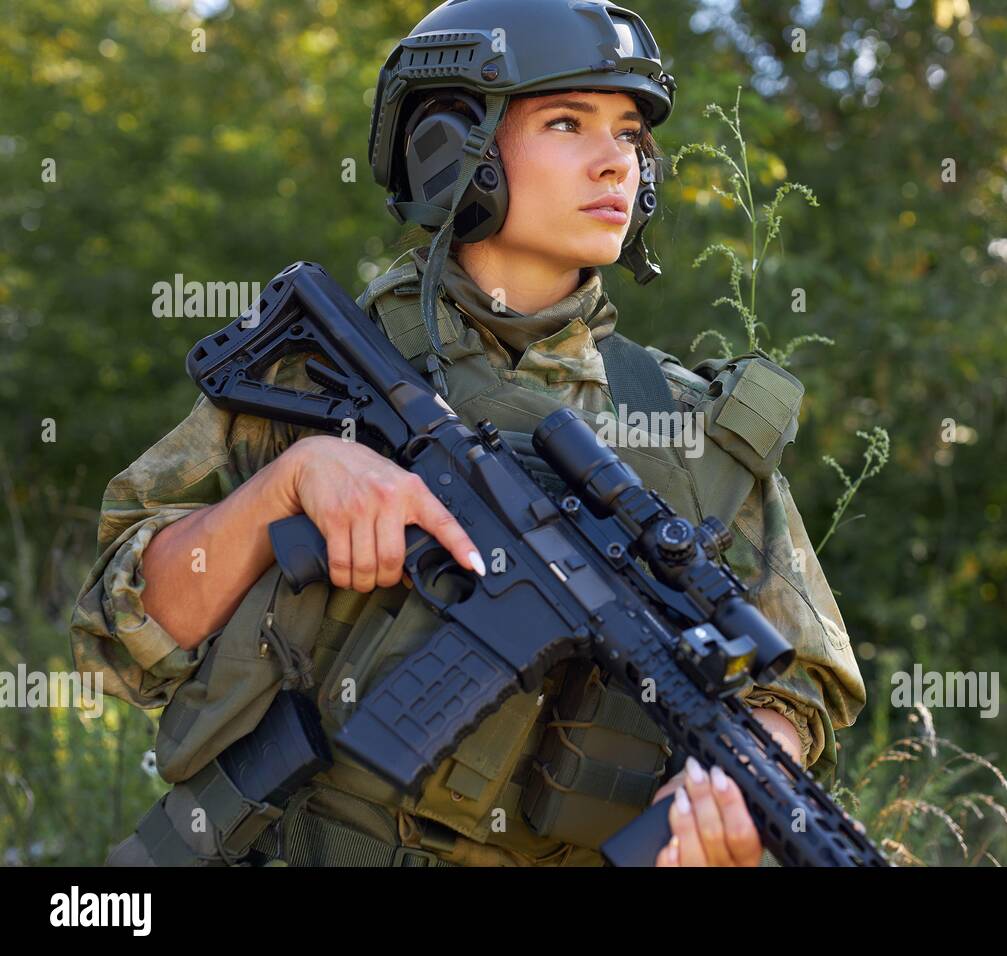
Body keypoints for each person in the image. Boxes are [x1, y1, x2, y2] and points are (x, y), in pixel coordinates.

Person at [70, 0, 866, 867]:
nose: (617, 163)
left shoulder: (694, 431)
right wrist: (286, 485)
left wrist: (748, 773)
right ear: (449, 147)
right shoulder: (317, 370)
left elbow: (799, 682)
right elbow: (115, 645)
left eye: (631, 132)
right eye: (568, 122)